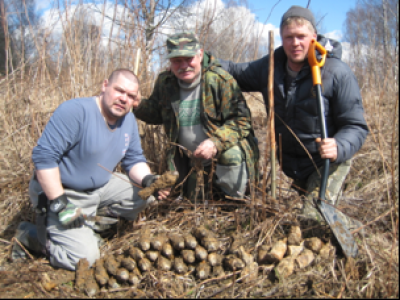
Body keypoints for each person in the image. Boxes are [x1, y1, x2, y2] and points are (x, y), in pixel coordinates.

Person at [220, 6, 369, 224]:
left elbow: (356, 126)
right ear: (282, 38)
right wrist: (196, 60)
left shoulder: (337, 72)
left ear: (314, 37)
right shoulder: (270, 66)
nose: (295, 43)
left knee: (313, 220)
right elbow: (235, 71)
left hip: (327, 162)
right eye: (289, 37)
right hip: (293, 167)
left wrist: (338, 145)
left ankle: (361, 235)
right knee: (303, 217)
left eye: (301, 36)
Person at [12, 69, 169, 270]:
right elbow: (44, 159)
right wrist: (61, 205)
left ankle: (89, 226)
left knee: (145, 194)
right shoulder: (75, 112)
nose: (124, 99)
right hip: (61, 191)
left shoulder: (128, 120)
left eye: (130, 96)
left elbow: (134, 159)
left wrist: (148, 179)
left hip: (99, 188)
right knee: (85, 259)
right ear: (105, 86)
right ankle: (31, 236)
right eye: (119, 91)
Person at [133, 32, 259, 201]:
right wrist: (137, 104)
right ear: (170, 61)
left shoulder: (220, 80)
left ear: (200, 55)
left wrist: (215, 142)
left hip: (220, 157)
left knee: (231, 155)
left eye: (189, 58)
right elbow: (157, 113)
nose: (184, 65)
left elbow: (241, 121)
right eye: (177, 60)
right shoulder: (165, 82)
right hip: (192, 161)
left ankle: (235, 202)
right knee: (193, 203)